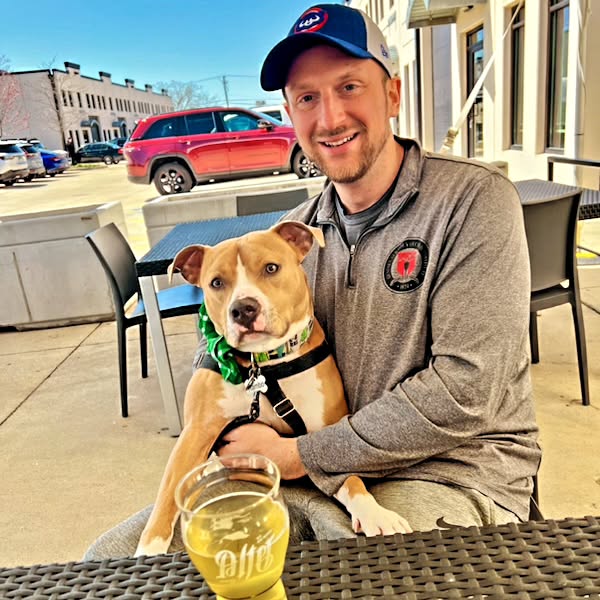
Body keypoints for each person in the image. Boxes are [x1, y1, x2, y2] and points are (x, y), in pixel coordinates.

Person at [84, 3, 540, 559]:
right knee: (110, 564)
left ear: (392, 94)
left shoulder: (473, 203)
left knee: (360, 579)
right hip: (307, 470)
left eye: (350, 86)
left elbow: (466, 391)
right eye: (307, 98)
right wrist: (217, 380)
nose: (330, 117)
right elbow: (228, 328)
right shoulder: (299, 233)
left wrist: (298, 455)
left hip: (447, 470)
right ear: (290, 115)